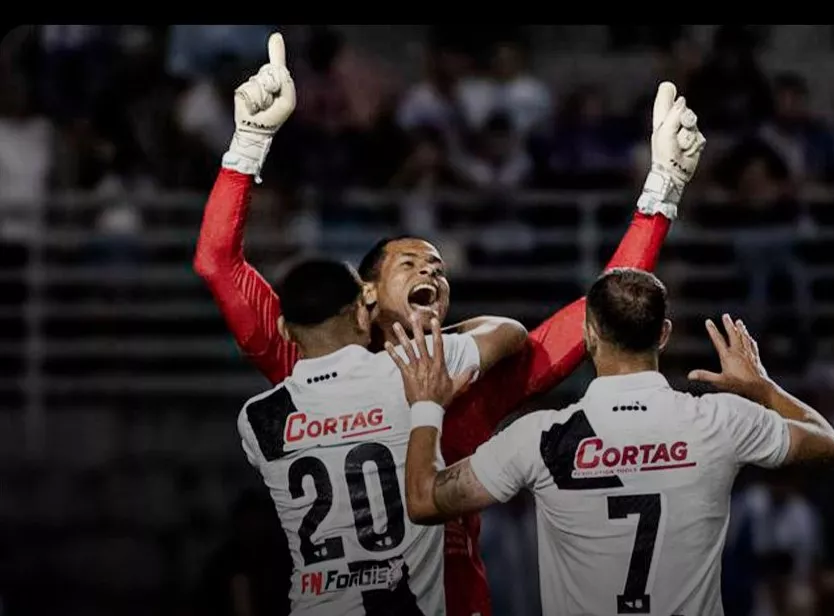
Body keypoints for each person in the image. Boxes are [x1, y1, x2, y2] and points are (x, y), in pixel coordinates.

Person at [194, 32, 707, 616]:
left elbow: (602, 312)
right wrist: (248, 143)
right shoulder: (305, 362)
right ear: (364, 298)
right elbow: (217, 262)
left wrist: (661, 189)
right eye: (410, 263)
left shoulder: (472, 384)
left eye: (439, 268)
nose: (431, 273)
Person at [390, 269, 834, 616]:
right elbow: (828, 445)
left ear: (589, 335)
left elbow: (425, 501)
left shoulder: (540, 438)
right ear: (663, 334)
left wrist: (426, 405)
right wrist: (763, 388)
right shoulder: (720, 419)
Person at [238, 257, 507, 615]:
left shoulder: (256, 417)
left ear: (285, 330)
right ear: (363, 315)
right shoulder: (409, 368)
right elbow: (507, 332)